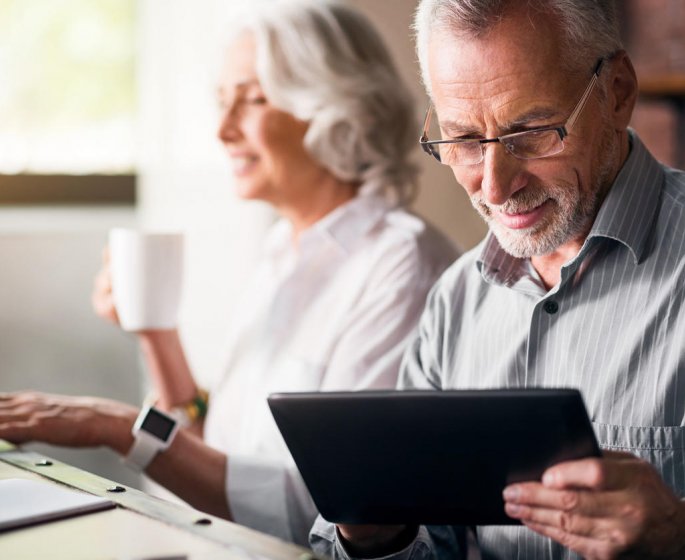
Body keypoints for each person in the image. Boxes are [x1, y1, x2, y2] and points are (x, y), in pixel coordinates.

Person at [0, 0, 457, 547]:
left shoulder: (400, 267)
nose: (221, 130)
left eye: (253, 100)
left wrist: (116, 426)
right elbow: (214, 453)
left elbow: (329, 511)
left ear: (335, 106)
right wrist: (155, 331)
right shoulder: (280, 250)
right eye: (222, 103)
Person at [309, 0, 685, 559]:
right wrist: (374, 535)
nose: (495, 185)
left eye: (531, 133)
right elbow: (432, 543)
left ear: (618, 93)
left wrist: (677, 535)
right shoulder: (456, 300)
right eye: (462, 140)